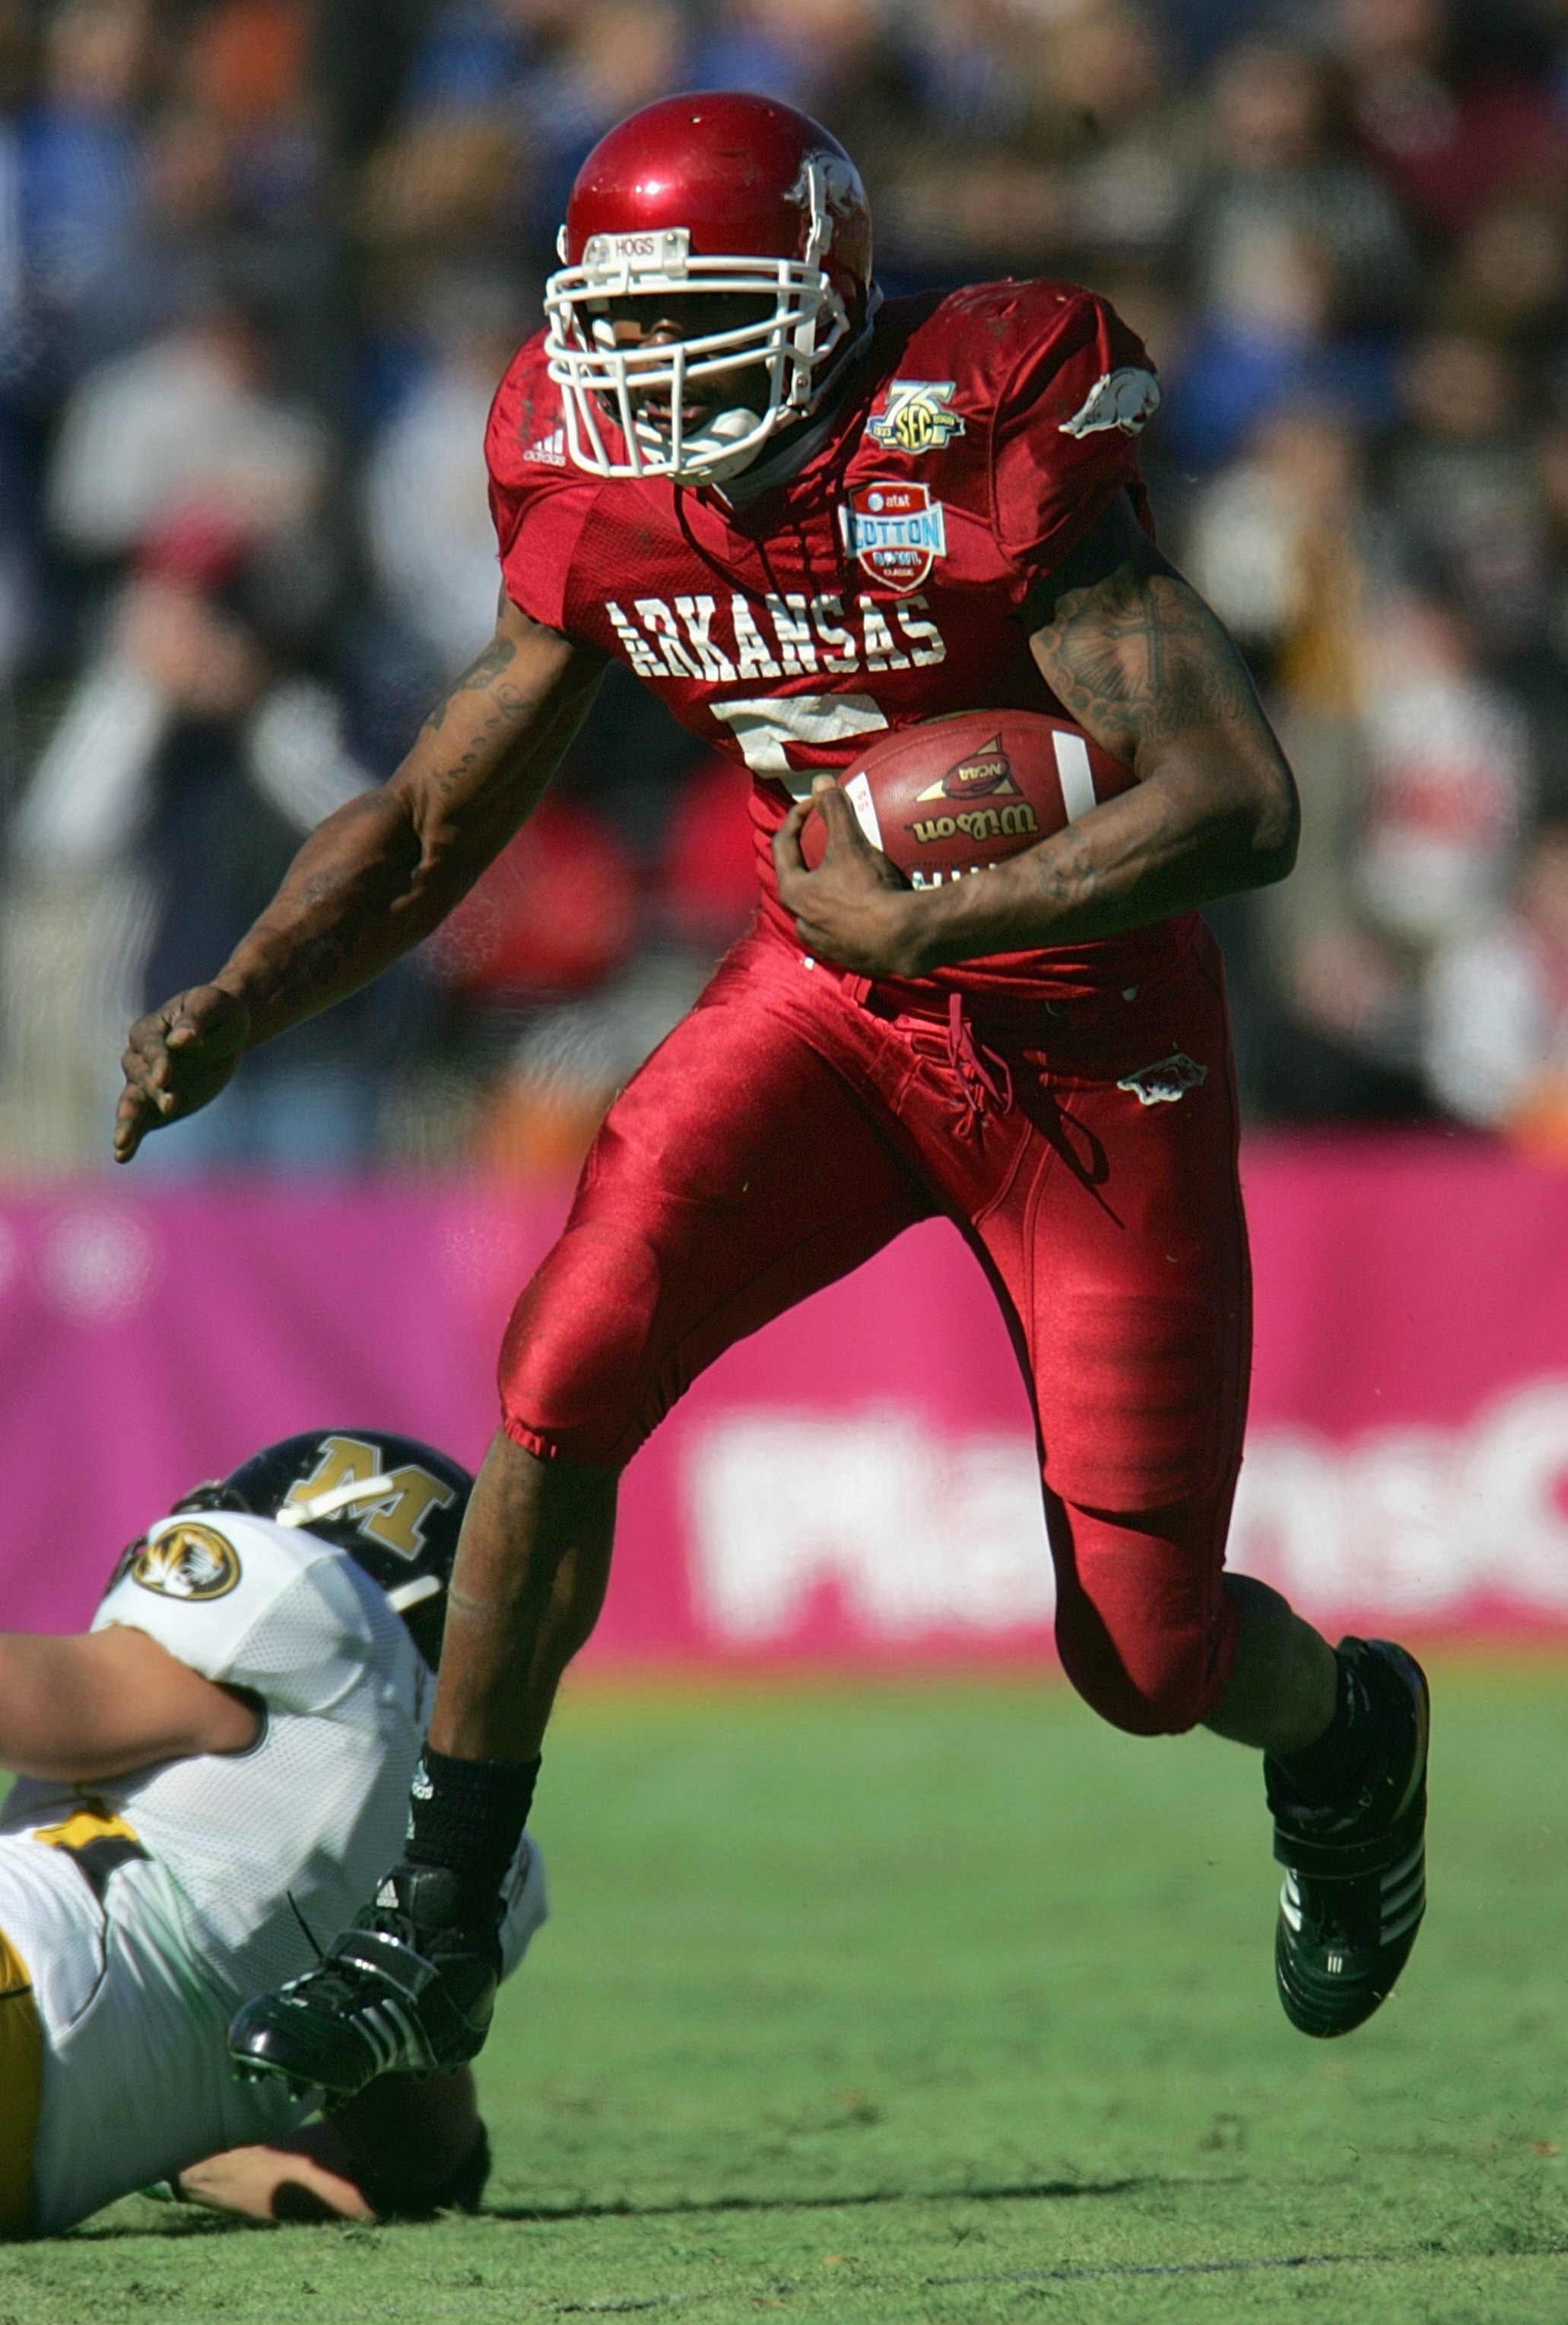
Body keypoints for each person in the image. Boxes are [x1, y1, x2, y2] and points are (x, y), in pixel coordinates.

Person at [113, 93, 1430, 2099]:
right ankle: (437, 1915)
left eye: (700, 318)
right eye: (617, 329)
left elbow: (1239, 798)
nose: (646, 376)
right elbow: (433, 816)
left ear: (820, 293)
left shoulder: (975, 421)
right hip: (823, 999)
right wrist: (238, 997)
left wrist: (948, 914)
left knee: (1144, 1651)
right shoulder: (590, 473)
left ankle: (1340, 1730)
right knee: (562, 1367)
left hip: (1086, 1047)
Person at [0, 1429, 547, 2234]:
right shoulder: (464, 1857)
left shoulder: (310, 1624)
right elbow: (422, 2162)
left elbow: (49, 1703)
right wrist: (172, 2146)